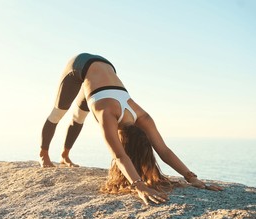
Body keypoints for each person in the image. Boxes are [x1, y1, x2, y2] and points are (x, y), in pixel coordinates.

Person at [39, 53, 223, 205]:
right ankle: (43, 154)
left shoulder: (143, 118)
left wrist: (191, 178)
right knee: (58, 113)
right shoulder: (108, 114)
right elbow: (120, 156)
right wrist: (139, 186)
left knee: (79, 116)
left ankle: (64, 156)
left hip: (105, 68)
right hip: (79, 65)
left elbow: (164, 151)